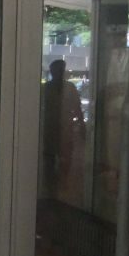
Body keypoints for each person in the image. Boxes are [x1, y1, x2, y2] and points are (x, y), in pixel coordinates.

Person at [42, 59, 85, 202]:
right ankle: (51, 187)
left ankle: (61, 183)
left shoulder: (69, 88)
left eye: (61, 70)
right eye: (57, 70)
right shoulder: (46, 88)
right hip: (50, 128)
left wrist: (81, 124)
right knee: (49, 158)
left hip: (64, 128)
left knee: (65, 158)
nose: (59, 73)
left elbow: (77, 108)